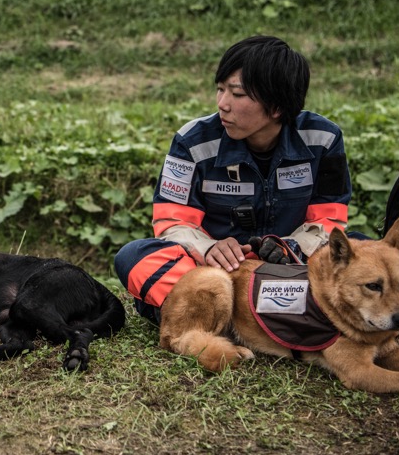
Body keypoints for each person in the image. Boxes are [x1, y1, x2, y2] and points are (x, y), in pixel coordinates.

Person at [113, 35, 352, 323]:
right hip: (216, 274)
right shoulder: (192, 142)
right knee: (134, 256)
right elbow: (172, 223)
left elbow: (329, 220)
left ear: (276, 106)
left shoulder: (323, 139)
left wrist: (291, 246)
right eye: (220, 90)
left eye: (237, 94)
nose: (222, 104)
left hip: (292, 267)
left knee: (362, 252)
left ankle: (210, 314)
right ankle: (274, 313)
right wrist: (209, 248)